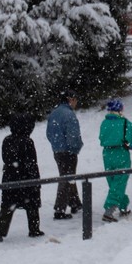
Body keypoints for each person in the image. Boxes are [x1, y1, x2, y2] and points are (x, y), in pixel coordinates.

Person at [0, 113, 44, 241]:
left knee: (8, 205)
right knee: (32, 205)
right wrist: (36, 180)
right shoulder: (27, 142)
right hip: (26, 178)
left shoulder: (7, 140)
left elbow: (6, 159)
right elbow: (31, 163)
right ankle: (34, 229)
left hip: (10, 177)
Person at [98, 98, 132, 223]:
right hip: (121, 154)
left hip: (107, 154)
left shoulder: (104, 123)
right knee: (119, 182)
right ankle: (109, 211)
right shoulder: (125, 123)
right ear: (120, 109)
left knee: (113, 182)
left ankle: (123, 206)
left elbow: (101, 138)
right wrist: (128, 144)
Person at [46, 91, 84, 220]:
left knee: (68, 176)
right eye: (75, 100)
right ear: (70, 99)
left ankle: (75, 203)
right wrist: (75, 148)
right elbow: (73, 135)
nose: (76, 103)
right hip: (67, 151)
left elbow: (49, 134)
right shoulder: (69, 115)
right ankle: (59, 210)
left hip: (57, 151)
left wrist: (56, 145)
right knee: (66, 178)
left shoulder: (54, 113)